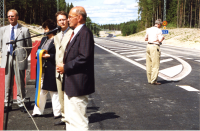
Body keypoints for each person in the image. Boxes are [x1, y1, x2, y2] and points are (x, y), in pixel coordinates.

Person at [56, 6, 95, 131]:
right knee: (71, 118)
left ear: (79, 18)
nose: (68, 19)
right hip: (71, 83)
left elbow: (84, 57)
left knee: (78, 121)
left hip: (78, 84)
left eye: (70, 17)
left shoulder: (85, 33)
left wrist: (65, 67)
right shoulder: (76, 32)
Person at [0, 9, 32, 113]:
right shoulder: (3, 30)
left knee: (20, 82)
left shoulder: (24, 30)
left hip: (19, 58)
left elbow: (29, 46)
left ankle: (21, 103)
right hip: (7, 57)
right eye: (9, 16)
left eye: (12, 16)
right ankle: (7, 103)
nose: (10, 18)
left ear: (17, 17)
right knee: (7, 81)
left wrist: (23, 56)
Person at [31, 19, 61, 119]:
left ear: (51, 29)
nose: (44, 31)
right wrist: (38, 54)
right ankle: (37, 111)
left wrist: (50, 56)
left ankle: (57, 113)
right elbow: (39, 50)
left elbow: (60, 55)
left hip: (52, 68)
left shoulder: (58, 39)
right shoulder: (44, 39)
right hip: (41, 69)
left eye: (46, 28)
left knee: (54, 91)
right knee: (41, 90)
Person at [54, 11, 73, 126]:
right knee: (60, 95)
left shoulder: (72, 34)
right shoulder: (56, 36)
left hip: (68, 69)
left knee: (70, 96)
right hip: (58, 71)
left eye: (63, 19)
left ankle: (71, 118)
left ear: (68, 20)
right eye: (59, 20)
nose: (62, 21)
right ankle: (64, 117)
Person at [145, 19, 165, 85]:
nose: (161, 26)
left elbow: (146, 39)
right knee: (155, 64)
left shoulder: (148, 29)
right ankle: (154, 80)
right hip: (154, 46)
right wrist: (162, 38)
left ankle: (149, 79)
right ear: (159, 24)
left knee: (149, 64)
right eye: (161, 24)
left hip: (148, 46)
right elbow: (159, 40)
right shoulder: (158, 30)